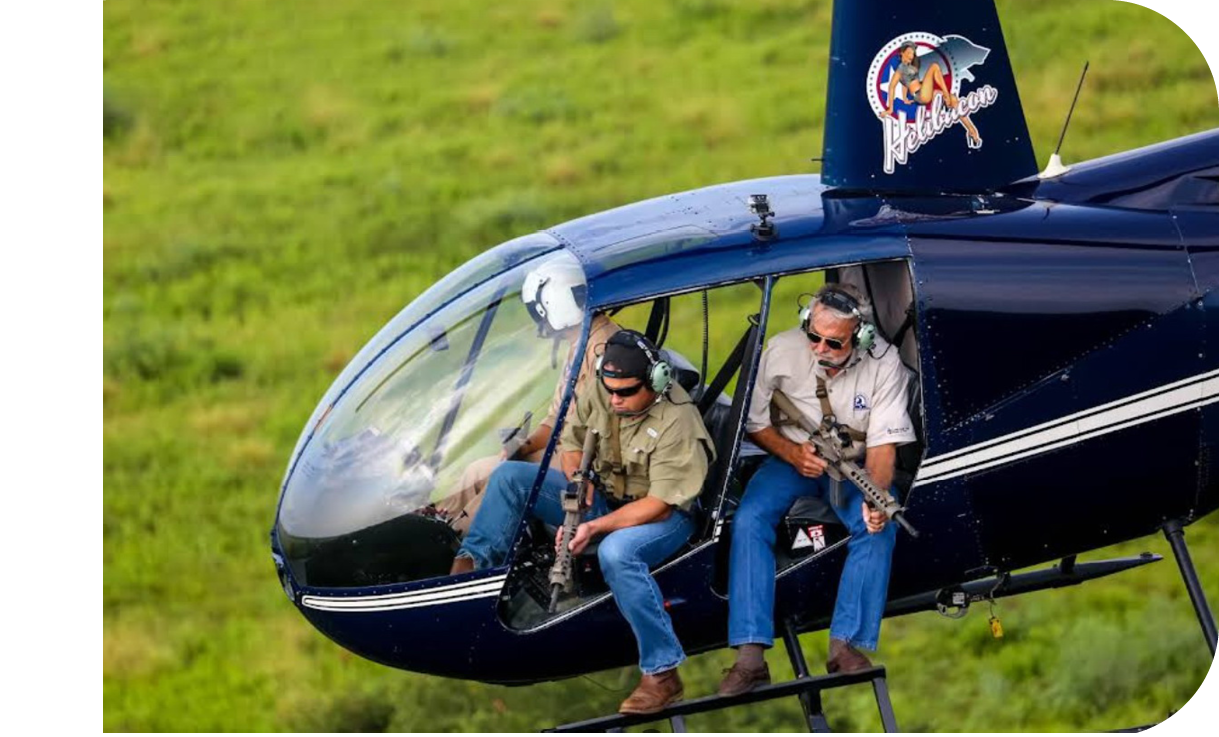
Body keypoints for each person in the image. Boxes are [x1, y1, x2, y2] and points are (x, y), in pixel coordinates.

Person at [451, 330, 715, 715]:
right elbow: (572, 441)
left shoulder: (678, 420)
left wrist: (593, 527)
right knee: (510, 477)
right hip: (605, 498)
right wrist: (579, 478)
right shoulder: (604, 389)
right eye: (610, 390)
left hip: (665, 516)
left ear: (656, 381)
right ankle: (470, 574)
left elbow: (659, 505)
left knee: (617, 553)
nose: (614, 400)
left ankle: (662, 672)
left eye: (626, 393)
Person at [717, 283, 916, 697]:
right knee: (750, 519)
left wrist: (877, 497)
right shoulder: (781, 350)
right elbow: (754, 423)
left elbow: (883, 445)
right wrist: (792, 454)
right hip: (793, 459)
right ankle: (750, 656)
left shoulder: (885, 364)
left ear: (860, 337)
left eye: (834, 343)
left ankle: (845, 645)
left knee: (877, 527)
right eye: (814, 336)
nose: (820, 349)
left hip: (854, 466)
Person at [434, 257, 620, 535]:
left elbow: (598, 432)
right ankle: (435, 521)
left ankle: (455, 537)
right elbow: (556, 419)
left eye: (538, 311)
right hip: (566, 450)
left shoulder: (603, 350)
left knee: (500, 477)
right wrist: (522, 445)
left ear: (554, 306)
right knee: (476, 471)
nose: (539, 320)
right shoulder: (581, 342)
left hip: (584, 462)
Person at [883, 41, 982, 148]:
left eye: (913, 53)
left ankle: (972, 131)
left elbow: (905, 84)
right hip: (920, 94)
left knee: (953, 99)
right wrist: (890, 109)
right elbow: (891, 87)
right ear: (902, 53)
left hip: (925, 92)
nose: (911, 55)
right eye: (909, 52)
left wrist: (905, 98)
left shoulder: (909, 67)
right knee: (934, 67)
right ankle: (946, 94)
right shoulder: (900, 69)